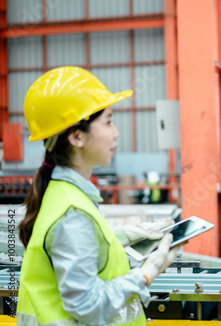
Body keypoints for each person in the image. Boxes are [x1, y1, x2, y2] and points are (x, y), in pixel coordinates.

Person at [16, 66, 183, 325]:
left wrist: (125, 235)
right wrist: (148, 273)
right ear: (76, 137)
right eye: (108, 121)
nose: (116, 132)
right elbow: (87, 305)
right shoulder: (72, 212)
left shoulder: (62, 195)